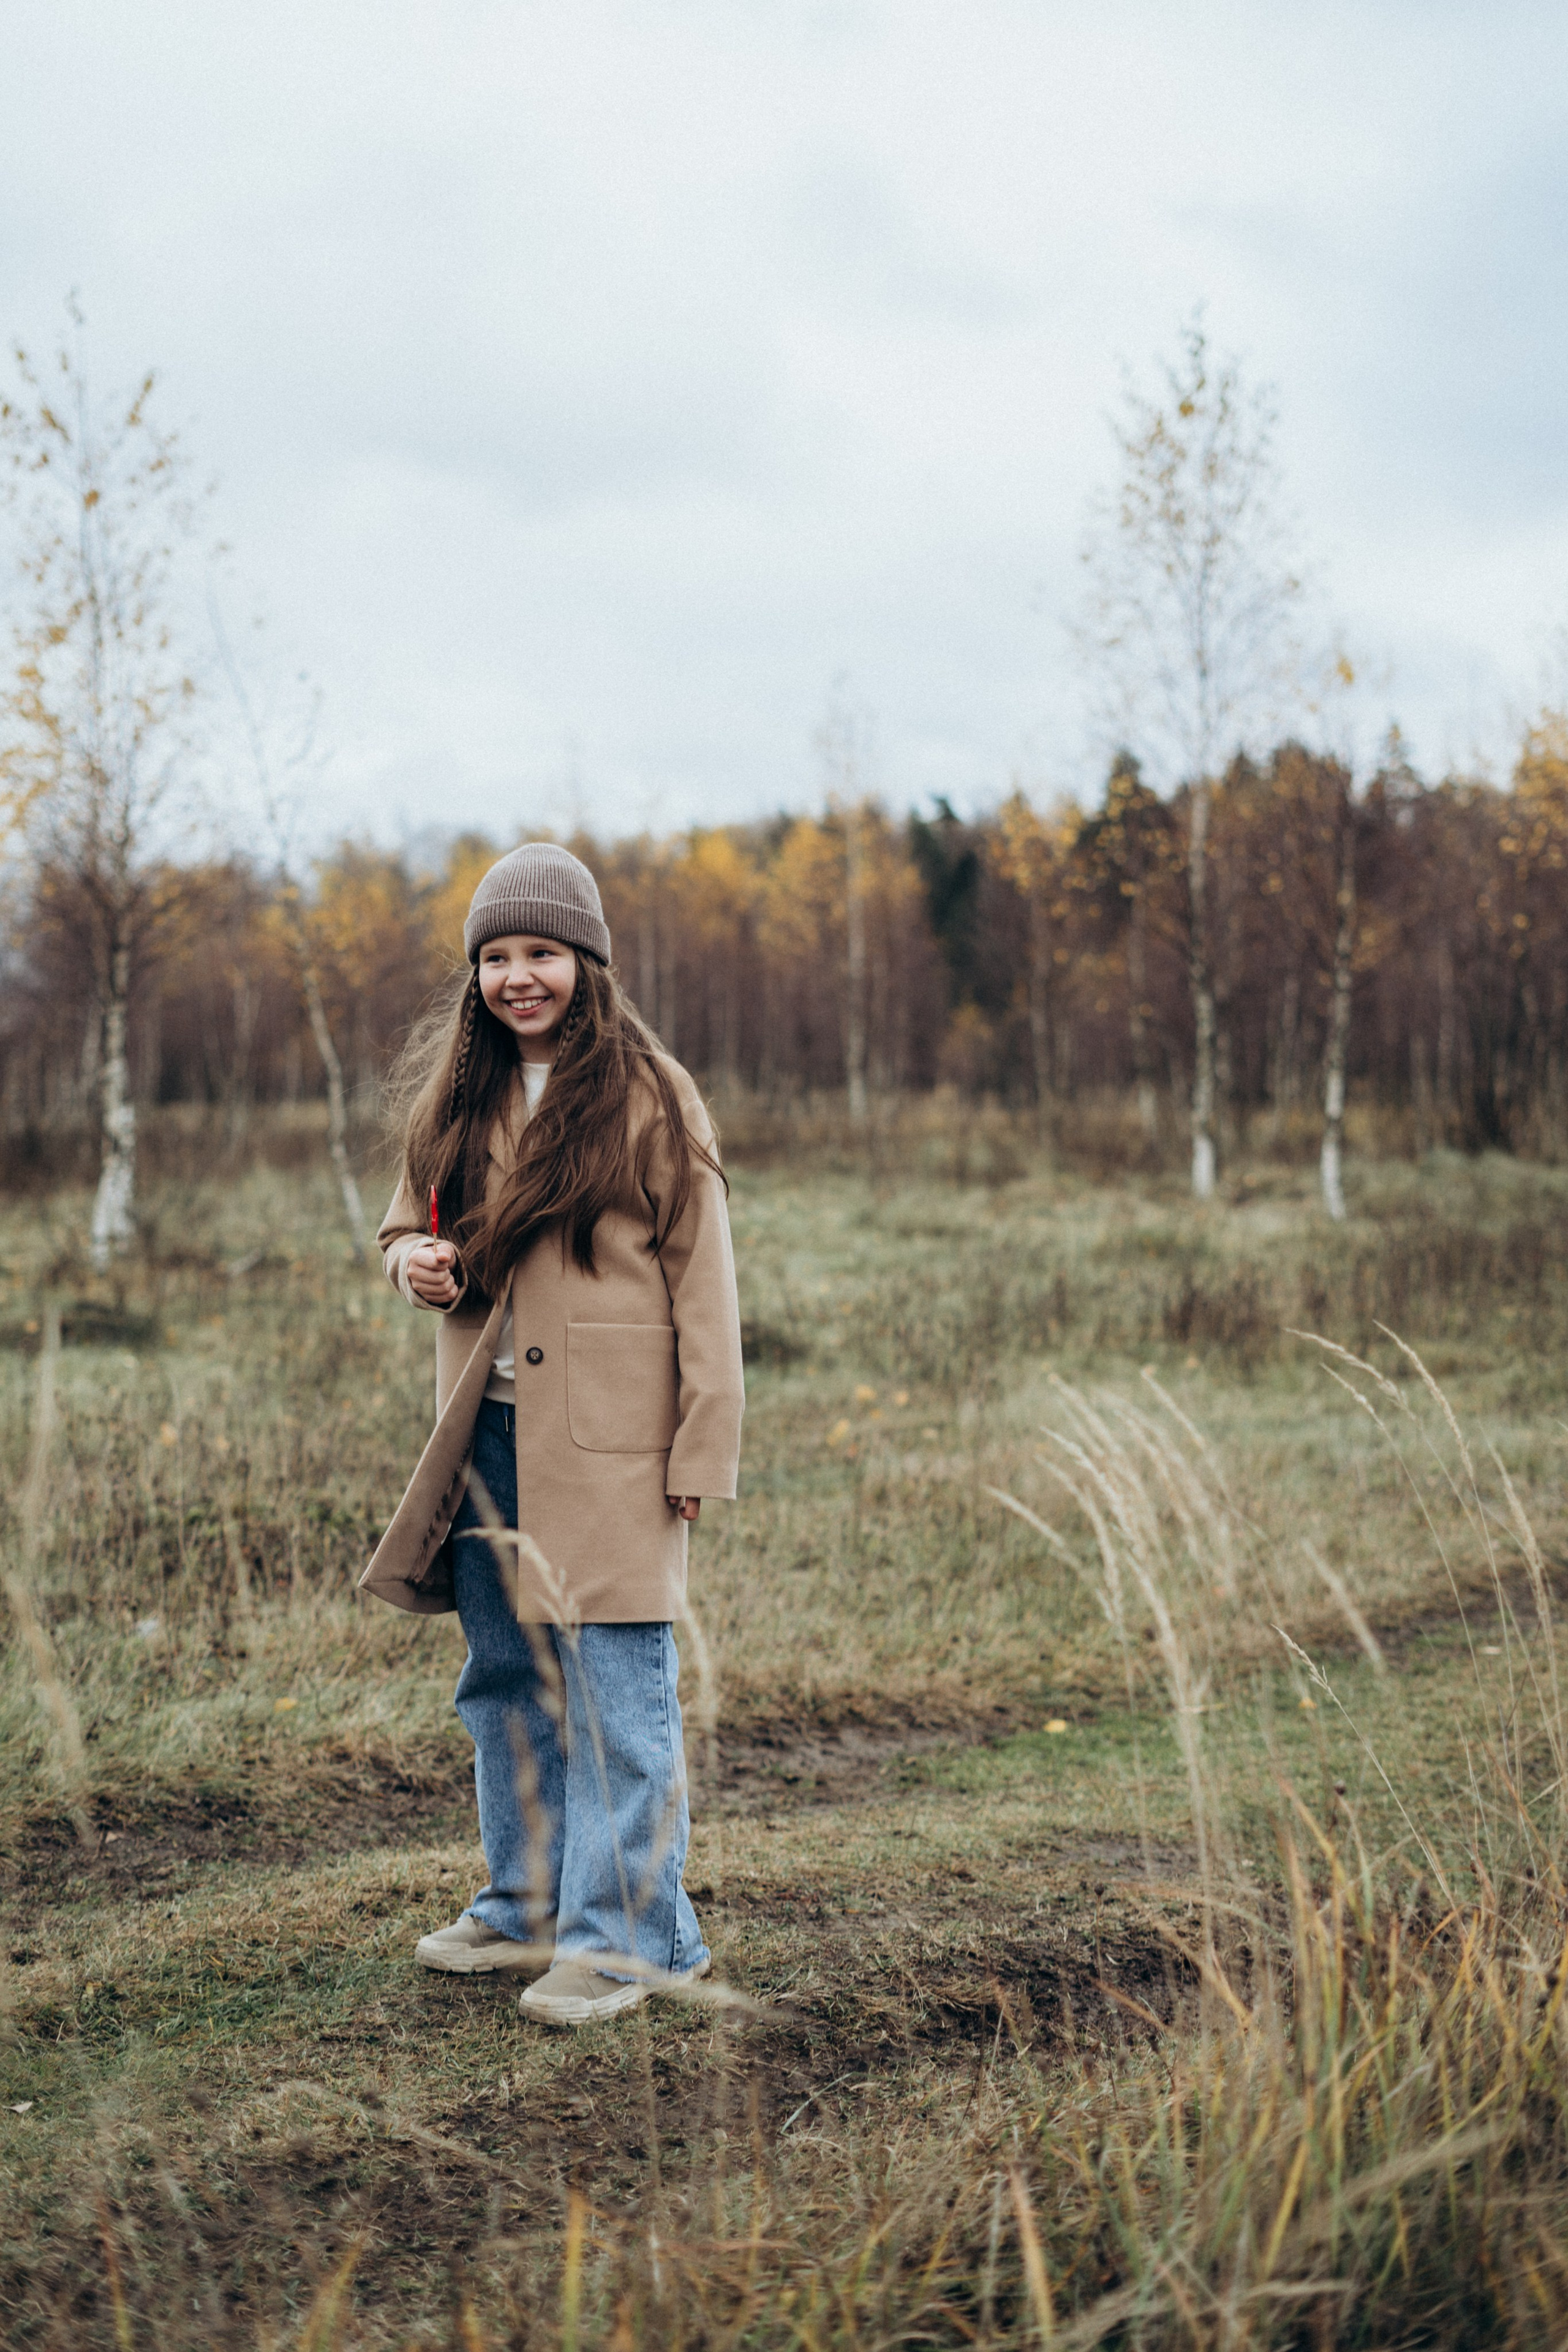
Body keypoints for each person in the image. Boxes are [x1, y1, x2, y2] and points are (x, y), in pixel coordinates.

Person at [360, 842, 744, 2026]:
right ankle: (526, 1907)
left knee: (616, 1690)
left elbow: (705, 1281)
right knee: (504, 1678)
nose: (518, 977)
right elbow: (401, 1230)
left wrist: (701, 1449)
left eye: (541, 954)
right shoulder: (458, 1097)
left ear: (588, 964)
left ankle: (636, 1937)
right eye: (495, 957)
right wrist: (411, 1265)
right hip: (483, 1439)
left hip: (617, 1447)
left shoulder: (651, 1093)